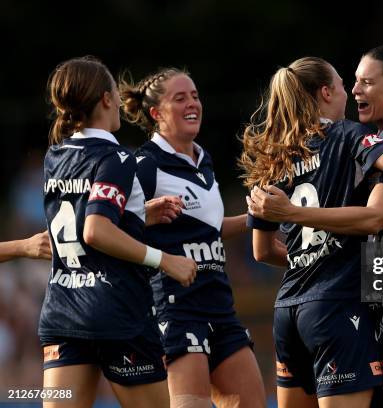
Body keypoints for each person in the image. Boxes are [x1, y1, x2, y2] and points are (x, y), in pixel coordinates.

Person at [247, 45, 383, 408]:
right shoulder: (353, 138)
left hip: (303, 306)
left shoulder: (278, 153)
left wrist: (311, 254)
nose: (354, 91)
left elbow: (262, 251)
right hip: (343, 306)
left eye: (366, 82)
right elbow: (377, 214)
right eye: (349, 83)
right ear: (326, 93)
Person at [40, 56, 197, 408]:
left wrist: (139, 216)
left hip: (64, 313)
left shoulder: (55, 156)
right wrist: (165, 261)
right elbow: (96, 230)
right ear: (107, 99)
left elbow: (82, 221)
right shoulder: (117, 158)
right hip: (118, 313)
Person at [120, 68, 266, 408]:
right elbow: (106, 228)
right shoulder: (145, 164)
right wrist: (145, 215)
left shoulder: (204, 161)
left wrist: (261, 216)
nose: (192, 104)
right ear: (156, 113)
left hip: (220, 308)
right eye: (180, 98)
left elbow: (209, 227)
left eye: (196, 96)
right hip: (176, 310)